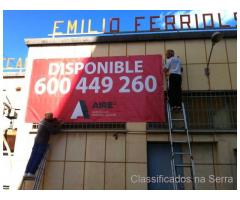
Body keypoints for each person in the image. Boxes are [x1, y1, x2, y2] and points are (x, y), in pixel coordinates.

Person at [24, 112, 61, 178]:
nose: (51, 118)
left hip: (37, 141)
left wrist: (56, 122)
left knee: (32, 157)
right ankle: (32, 172)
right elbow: (54, 131)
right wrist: (59, 125)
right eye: (51, 117)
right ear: (47, 117)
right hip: (42, 142)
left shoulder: (42, 121)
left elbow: (51, 123)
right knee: (38, 157)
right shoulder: (46, 124)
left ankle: (26, 172)